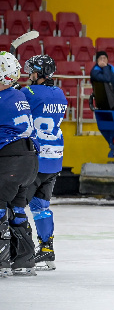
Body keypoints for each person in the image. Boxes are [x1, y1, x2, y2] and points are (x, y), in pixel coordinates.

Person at [22, 55, 68, 271]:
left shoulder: (27, 93)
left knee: (16, 205)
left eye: (32, 71)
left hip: (36, 158)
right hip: (55, 157)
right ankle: (47, 250)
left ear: (39, 73)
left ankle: (20, 253)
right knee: (41, 206)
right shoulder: (60, 94)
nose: (29, 75)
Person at [0, 51, 39, 277]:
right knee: (17, 209)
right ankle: (24, 260)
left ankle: (2, 261)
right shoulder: (19, 96)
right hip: (29, 161)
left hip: (10, 161)